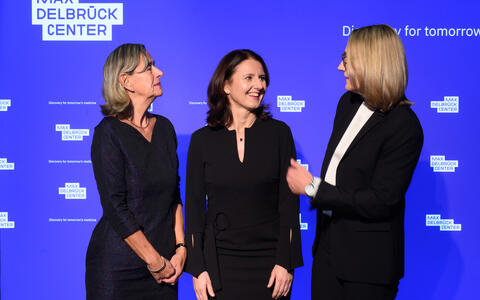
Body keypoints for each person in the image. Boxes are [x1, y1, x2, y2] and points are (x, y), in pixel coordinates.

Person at [286, 24, 423, 300]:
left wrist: (313, 187)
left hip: (368, 267)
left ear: (371, 63)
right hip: (327, 256)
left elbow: (381, 201)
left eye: (347, 60)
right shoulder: (347, 104)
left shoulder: (404, 125)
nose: (340, 67)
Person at [185, 49, 303, 300]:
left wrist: (286, 262)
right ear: (226, 85)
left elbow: (289, 204)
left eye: (262, 79)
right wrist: (198, 268)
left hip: (271, 265)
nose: (258, 85)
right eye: (249, 78)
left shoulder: (280, 134)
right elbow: (194, 210)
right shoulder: (201, 140)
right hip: (220, 265)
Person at [85, 43, 186, 300]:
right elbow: (116, 209)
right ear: (126, 81)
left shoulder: (165, 128)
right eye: (149, 67)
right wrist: (155, 262)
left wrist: (181, 248)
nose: (159, 72)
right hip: (118, 268)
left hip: (165, 265)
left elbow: (173, 194)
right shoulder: (108, 133)